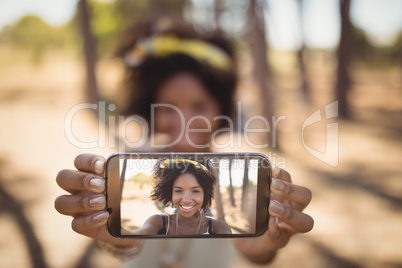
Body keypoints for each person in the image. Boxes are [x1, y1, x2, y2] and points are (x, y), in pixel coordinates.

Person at [55, 17, 313, 266]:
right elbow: (120, 244)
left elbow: (260, 254)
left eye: (199, 105)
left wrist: (264, 247)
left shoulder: (240, 180)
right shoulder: (133, 169)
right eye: (168, 107)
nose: (184, 122)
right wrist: (117, 241)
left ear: (222, 107)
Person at [134, 159, 232, 236]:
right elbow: (135, 237)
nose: (186, 200)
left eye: (195, 191)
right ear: (170, 192)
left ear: (205, 194)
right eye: (178, 191)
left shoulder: (218, 227)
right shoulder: (158, 222)